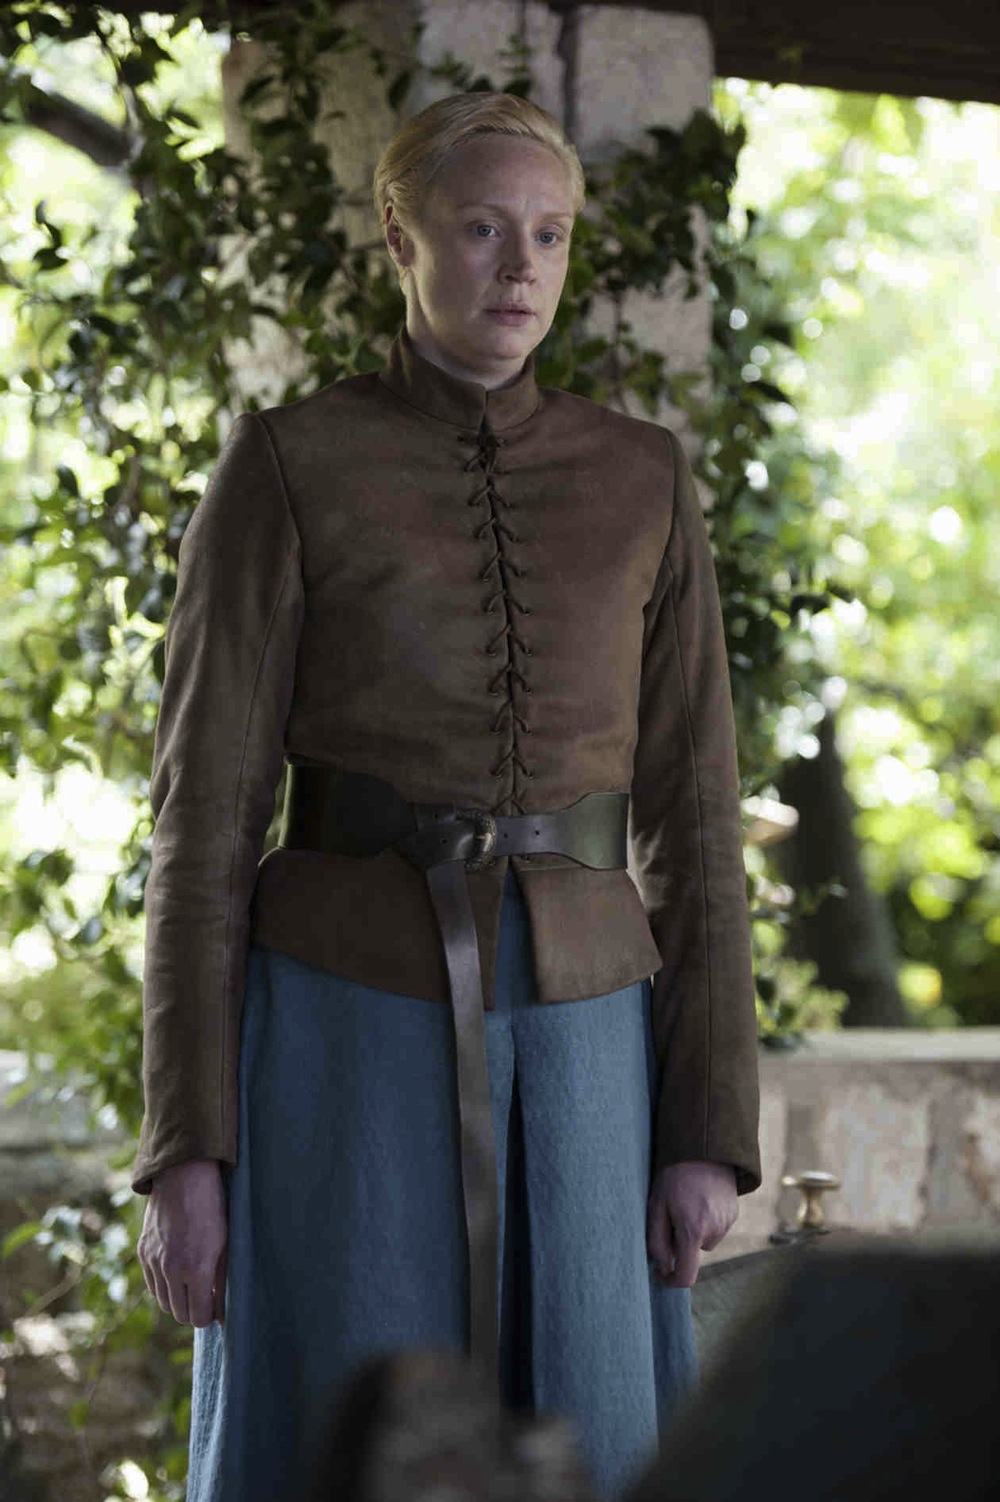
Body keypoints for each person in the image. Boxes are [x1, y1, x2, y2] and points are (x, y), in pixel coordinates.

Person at [134, 90, 761, 1502]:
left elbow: (693, 816)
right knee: (343, 1412)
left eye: (548, 234)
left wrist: (705, 1128)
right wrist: (188, 1150)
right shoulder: (290, 463)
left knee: (595, 1414)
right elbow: (203, 825)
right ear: (401, 240)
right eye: (481, 229)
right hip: (344, 1027)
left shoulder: (642, 476)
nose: (521, 266)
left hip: (592, 1041)